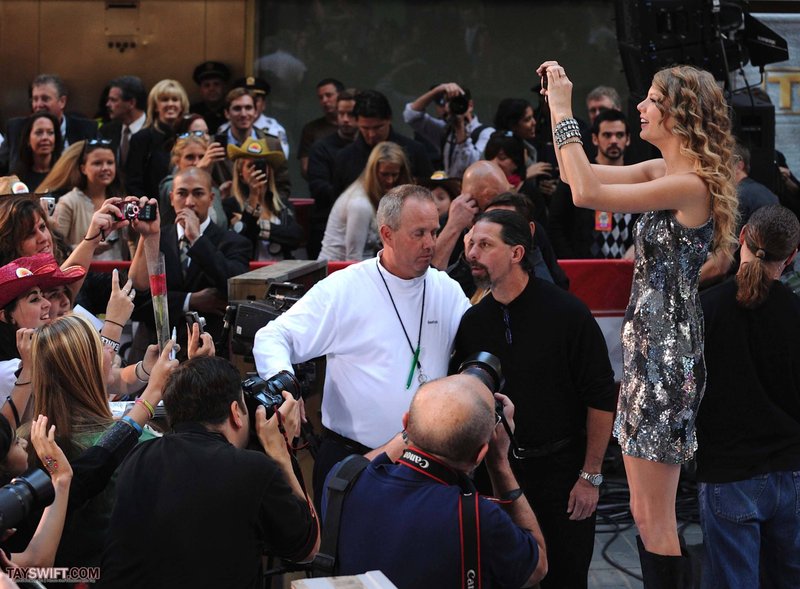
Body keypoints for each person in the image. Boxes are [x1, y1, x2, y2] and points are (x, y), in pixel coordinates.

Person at [538, 59, 738, 586]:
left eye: (651, 100)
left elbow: (586, 193)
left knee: (655, 518)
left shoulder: (690, 186)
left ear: (679, 114)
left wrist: (564, 108)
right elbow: (571, 175)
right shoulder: (661, 173)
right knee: (650, 516)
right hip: (651, 352)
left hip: (666, 361)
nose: (641, 108)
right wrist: (555, 109)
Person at [254, 184, 470, 505]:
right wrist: (288, 388)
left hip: (430, 462)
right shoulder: (345, 288)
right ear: (387, 234)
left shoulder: (446, 290)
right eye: (419, 233)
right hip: (356, 461)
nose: (431, 244)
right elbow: (271, 337)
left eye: (434, 231)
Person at [453, 210, 615, 588]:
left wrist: (590, 476)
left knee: (566, 577)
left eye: (485, 244)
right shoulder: (473, 322)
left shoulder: (567, 313)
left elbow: (601, 397)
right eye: (471, 243)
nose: (473, 253)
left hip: (563, 475)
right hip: (497, 472)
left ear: (516, 253)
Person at [98, 355, 320, 588]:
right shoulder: (254, 470)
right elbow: (308, 548)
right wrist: (281, 452)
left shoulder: (138, 457)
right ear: (236, 412)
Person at [326, 374, 547, 588]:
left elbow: (360, 466)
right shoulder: (479, 518)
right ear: (480, 454)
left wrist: (416, 429)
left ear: (405, 423)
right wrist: (499, 461)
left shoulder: (343, 481)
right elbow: (537, 568)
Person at [695, 204, 800, 588]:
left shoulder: (705, 309)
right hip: (790, 470)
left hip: (729, 472)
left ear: (741, 238)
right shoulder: (794, 311)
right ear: (790, 257)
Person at [128, 167, 250, 347]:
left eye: (198, 194)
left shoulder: (234, 242)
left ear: (211, 199)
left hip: (212, 349)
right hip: (160, 349)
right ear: (171, 198)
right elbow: (136, 303)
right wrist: (189, 300)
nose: (189, 202)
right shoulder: (154, 238)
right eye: (182, 194)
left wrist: (197, 240)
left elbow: (235, 287)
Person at [0, 254, 86, 428]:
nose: (47, 303)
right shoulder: (5, 371)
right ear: (6, 316)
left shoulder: (50, 351)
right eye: (34, 299)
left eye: (42, 295)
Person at [549, 109, 638, 259]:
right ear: (595, 139)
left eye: (620, 135)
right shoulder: (578, 175)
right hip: (583, 267)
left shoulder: (637, 177)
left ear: (628, 139)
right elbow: (556, 223)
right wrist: (573, 263)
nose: (614, 141)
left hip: (629, 267)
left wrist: (637, 247)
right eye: (607, 135)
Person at [318, 141, 412, 262]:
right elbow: (353, 259)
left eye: (395, 174)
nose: (390, 180)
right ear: (373, 171)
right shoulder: (360, 204)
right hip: (337, 271)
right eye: (384, 174)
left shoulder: (377, 197)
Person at [332, 90, 433, 196]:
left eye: (378, 127)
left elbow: (428, 194)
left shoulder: (415, 151)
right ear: (357, 122)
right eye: (365, 128)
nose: (371, 134)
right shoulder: (344, 158)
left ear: (389, 119)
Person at [45, 140, 128, 260]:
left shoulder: (121, 202)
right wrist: (89, 246)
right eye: (97, 163)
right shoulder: (68, 202)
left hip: (119, 275)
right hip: (84, 276)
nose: (105, 168)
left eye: (110, 162)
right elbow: (55, 247)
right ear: (83, 169)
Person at [0, 74, 97, 175]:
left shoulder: (87, 129)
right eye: (35, 99)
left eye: (45, 99)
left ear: (62, 101)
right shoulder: (16, 128)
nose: (39, 105)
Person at [226, 138, 302, 260]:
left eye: (261, 165)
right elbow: (242, 240)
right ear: (240, 173)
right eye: (250, 166)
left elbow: (295, 236)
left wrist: (257, 226)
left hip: (281, 272)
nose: (256, 170)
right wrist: (253, 197)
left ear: (269, 170)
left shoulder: (281, 204)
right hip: (249, 274)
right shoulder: (230, 205)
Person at [306, 89, 358, 259]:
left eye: (350, 114)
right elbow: (318, 187)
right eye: (340, 113)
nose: (344, 119)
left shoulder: (371, 149)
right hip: (328, 222)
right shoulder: (321, 148)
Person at [403, 82, 494, 179]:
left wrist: (460, 126)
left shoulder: (486, 133)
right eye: (446, 102)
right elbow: (411, 116)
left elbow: (470, 164)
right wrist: (438, 90)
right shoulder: (445, 130)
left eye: (457, 102)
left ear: (470, 105)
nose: (450, 107)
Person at [213, 87, 291, 198]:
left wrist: (268, 209)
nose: (243, 114)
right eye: (237, 108)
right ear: (227, 113)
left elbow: (283, 186)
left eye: (248, 108)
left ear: (255, 112)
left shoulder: (272, 144)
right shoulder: (214, 144)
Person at [124, 79, 190, 199]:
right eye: (165, 100)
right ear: (155, 106)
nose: (170, 104)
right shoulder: (142, 138)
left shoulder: (190, 137)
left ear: (182, 106)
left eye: (175, 99)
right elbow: (133, 182)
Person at [157, 131, 227, 228]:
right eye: (190, 157)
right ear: (177, 161)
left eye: (202, 157)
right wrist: (198, 170)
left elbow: (221, 225)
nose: (197, 162)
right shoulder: (168, 183)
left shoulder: (213, 190)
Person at [298, 78, 344, 178]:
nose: (324, 100)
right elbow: (305, 168)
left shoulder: (356, 126)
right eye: (320, 97)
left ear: (340, 96)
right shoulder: (311, 129)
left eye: (329, 95)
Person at [98, 76, 148, 169]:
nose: (107, 104)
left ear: (131, 103)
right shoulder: (106, 131)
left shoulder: (155, 132)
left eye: (113, 100)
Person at [12, 113, 63, 191]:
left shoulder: (65, 176)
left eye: (50, 133)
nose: (45, 138)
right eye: (39, 133)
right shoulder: (17, 179)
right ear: (28, 139)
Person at [189, 60, 231, 135]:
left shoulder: (233, 111)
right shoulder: (192, 112)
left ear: (224, 88)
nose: (212, 89)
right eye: (206, 85)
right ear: (200, 90)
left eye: (216, 84)